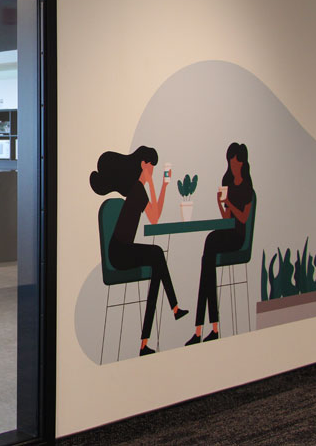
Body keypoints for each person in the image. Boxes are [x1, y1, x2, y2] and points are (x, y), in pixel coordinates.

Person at [90, 145, 188, 356]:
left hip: (124, 249)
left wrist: (162, 185)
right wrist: (155, 184)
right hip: (119, 253)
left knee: (157, 264)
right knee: (157, 255)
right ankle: (174, 308)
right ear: (144, 165)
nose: (153, 169)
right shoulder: (137, 189)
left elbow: (154, 215)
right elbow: (154, 216)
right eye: (152, 166)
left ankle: (146, 341)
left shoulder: (137, 189)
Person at [186, 143, 253, 346]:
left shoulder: (247, 188)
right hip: (227, 233)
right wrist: (219, 202)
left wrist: (229, 202)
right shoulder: (227, 181)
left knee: (208, 259)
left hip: (239, 238)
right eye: (230, 163)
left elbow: (243, 218)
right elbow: (226, 218)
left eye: (234, 163)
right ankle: (210, 327)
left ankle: (202, 329)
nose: (232, 167)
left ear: (242, 163)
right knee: (208, 259)